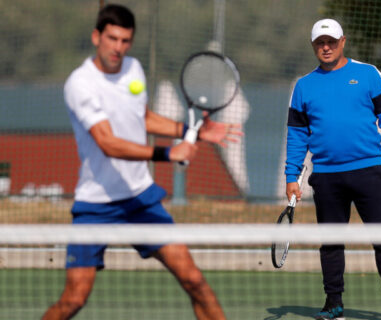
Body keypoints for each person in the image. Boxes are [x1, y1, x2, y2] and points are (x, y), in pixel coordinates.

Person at [42, 4, 241, 320]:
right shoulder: (80, 84)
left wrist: (193, 132)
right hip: (96, 204)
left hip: (140, 199)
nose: (118, 48)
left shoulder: (133, 68)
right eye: (112, 39)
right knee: (74, 299)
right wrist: (166, 153)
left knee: (194, 280)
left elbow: (143, 117)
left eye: (125, 41)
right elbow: (107, 143)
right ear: (97, 37)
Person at [285, 19, 381, 320]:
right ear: (313, 45)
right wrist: (291, 177)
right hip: (326, 177)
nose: (325, 47)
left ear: (343, 41)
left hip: (369, 172)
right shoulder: (304, 86)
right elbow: (297, 135)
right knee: (330, 242)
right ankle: (333, 303)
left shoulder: (368, 75)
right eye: (319, 42)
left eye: (331, 41)